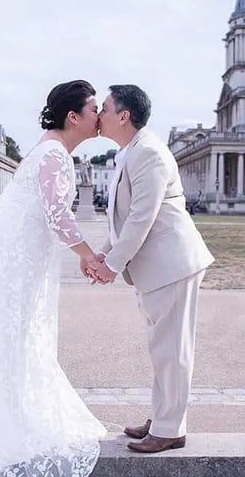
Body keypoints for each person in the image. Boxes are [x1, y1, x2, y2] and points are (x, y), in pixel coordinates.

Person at [0, 80, 106, 477]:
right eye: (94, 108)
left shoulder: (50, 150)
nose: (99, 116)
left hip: (13, 243)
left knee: (17, 329)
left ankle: (8, 410)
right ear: (73, 117)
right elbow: (59, 215)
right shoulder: (53, 155)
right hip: (14, 248)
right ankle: (12, 419)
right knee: (17, 328)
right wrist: (89, 255)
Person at [87, 84, 214, 454]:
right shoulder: (131, 152)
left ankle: (171, 428)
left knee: (172, 349)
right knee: (163, 347)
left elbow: (143, 217)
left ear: (123, 116)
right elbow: (126, 219)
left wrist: (110, 265)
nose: (99, 115)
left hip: (172, 263)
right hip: (160, 265)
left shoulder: (150, 154)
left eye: (105, 108)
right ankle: (163, 418)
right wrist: (102, 254)